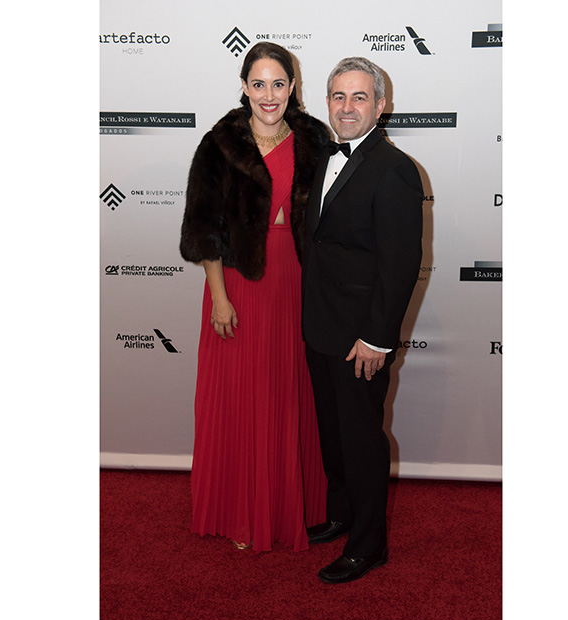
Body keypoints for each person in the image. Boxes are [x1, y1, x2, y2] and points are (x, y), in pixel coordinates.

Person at [180, 42, 329, 553]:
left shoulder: (314, 140)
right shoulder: (220, 144)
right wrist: (219, 298)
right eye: (259, 84)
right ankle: (243, 511)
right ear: (244, 86)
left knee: (289, 395)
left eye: (278, 83)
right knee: (242, 398)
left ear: (293, 86)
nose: (269, 95)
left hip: (297, 284)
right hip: (239, 285)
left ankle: (294, 508)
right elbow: (204, 232)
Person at [302, 57, 424, 583]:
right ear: (327, 102)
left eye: (359, 97)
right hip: (321, 327)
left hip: (361, 338)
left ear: (380, 105)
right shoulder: (323, 158)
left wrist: (377, 338)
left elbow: (400, 264)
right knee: (333, 434)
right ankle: (342, 514)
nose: (347, 107)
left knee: (361, 440)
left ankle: (369, 544)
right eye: (338, 96)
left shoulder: (394, 169)